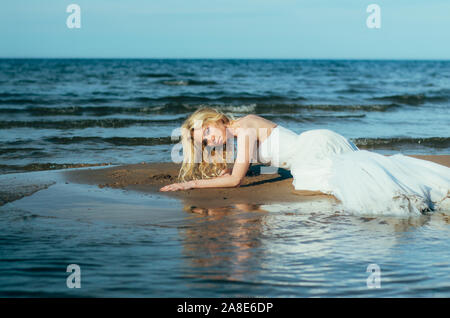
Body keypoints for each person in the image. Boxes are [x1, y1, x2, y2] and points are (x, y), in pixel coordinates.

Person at [160, 107, 450, 215]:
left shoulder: (244, 128)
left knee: (337, 179)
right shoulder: (238, 134)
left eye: (208, 132)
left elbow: (236, 180)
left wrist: (191, 185)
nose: (209, 141)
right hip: (313, 143)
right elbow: (247, 167)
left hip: (308, 151)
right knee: (352, 173)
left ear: (216, 119)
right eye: (204, 142)